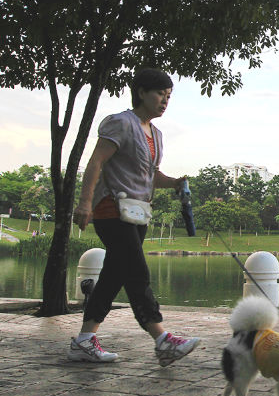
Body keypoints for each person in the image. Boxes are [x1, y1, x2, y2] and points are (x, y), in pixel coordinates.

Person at [69, 68, 200, 366]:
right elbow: (96, 161)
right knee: (137, 273)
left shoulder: (156, 134)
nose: (165, 101)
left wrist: (175, 182)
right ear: (140, 92)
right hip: (111, 210)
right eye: (159, 94)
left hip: (137, 214)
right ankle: (162, 339)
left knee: (113, 276)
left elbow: (151, 176)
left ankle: (84, 341)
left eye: (168, 97)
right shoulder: (121, 123)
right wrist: (85, 202)